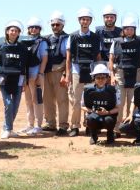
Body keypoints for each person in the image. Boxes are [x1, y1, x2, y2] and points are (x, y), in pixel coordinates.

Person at [63, 8, 101, 137]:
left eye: (87, 19)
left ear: (90, 21)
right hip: (76, 71)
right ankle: (74, 126)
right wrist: (67, 74)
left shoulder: (95, 37)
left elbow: (98, 56)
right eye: (83, 19)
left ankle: (90, 125)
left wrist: (99, 72)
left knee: (90, 100)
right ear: (79, 20)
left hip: (91, 72)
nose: (85, 21)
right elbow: (68, 57)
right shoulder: (72, 36)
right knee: (76, 100)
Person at [109, 13, 140, 135]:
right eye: (127, 29)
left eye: (131, 29)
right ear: (123, 30)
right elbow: (111, 59)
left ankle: (131, 129)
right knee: (119, 102)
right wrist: (112, 76)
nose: (129, 31)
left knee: (133, 103)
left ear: (134, 30)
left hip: (136, 74)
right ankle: (117, 129)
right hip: (120, 74)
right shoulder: (116, 42)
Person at [0, 20, 28, 139]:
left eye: (16, 30)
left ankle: (7, 127)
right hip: (4, 79)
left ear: (19, 33)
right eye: (11, 30)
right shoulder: (0, 47)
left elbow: (25, 65)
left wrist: (25, 80)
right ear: (7, 32)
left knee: (15, 106)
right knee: (8, 105)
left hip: (19, 79)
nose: (14, 32)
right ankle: (8, 129)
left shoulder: (22, 48)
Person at [19, 17, 48, 136]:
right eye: (31, 27)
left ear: (40, 29)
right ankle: (30, 124)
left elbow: (44, 58)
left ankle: (38, 125)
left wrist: (40, 74)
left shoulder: (42, 42)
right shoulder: (24, 42)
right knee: (28, 100)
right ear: (28, 29)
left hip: (36, 74)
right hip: (27, 75)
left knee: (37, 100)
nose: (34, 29)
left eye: (36, 27)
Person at [42, 11, 70, 136]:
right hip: (47, 72)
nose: (55, 27)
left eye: (58, 25)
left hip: (60, 72)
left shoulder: (67, 39)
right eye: (53, 24)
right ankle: (50, 123)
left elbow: (69, 58)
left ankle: (63, 125)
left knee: (62, 100)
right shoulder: (46, 39)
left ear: (63, 25)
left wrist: (65, 74)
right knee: (47, 100)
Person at [83, 63, 121, 145]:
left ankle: (110, 134)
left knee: (109, 120)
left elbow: (117, 108)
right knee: (90, 119)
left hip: (108, 115)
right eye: (98, 78)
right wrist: (94, 111)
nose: (100, 80)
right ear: (94, 78)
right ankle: (93, 135)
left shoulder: (114, 90)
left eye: (103, 77)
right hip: (94, 115)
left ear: (107, 78)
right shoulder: (87, 90)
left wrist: (107, 112)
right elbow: (82, 106)